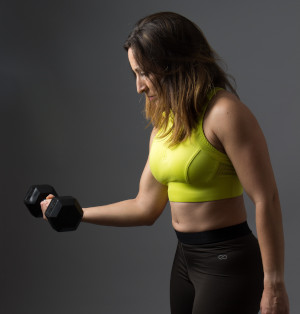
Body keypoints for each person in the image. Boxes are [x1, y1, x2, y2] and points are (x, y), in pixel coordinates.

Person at [40, 12, 289, 314]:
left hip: (228, 261)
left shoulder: (224, 113)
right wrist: (76, 213)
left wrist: (274, 283)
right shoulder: (164, 123)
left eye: (145, 73)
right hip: (185, 259)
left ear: (173, 64)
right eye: (135, 74)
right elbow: (145, 206)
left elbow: (267, 198)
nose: (139, 87)